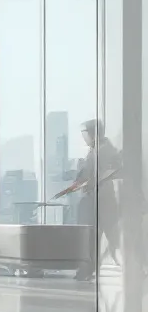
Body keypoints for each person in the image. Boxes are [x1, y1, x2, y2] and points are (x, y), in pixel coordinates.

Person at [55, 119, 122, 279]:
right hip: (99, 201)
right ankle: (88, 269)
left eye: (84, 134)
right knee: (102, 238)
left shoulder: (102, 151)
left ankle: (88, 269)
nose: (83, 138)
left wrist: (82, 183)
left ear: (93, 133)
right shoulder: (99, 150)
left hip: (101, 202)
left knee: (99, 238)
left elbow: (92, 175)